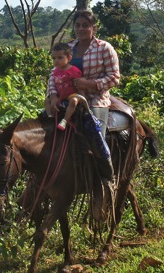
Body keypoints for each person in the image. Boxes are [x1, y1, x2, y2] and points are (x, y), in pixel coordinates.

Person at [46, 9, 119, 181]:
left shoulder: (104, 48)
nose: (81, 29)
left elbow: (114, 77)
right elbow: (53, 74)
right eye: (77, 25)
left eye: (85, 25)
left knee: (95, 135)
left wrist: (90, 84)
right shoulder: (68, 48)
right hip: (65, 99)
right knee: (45, 127)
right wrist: (53, 96)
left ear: (94, 27)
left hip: (94, 100)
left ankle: (105, 174)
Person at [46, 42, 83, 131]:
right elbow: (52, 84)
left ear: (69, 58)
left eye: (60, 58)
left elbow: (79, 85)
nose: (56, 61)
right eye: (54, 58)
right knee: (47, 100)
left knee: (73, 101)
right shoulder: (55, 71)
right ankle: (50, 117)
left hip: (72, 94)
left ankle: (65, 120)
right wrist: (54, 97)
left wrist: (82, 97)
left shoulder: (73, 71)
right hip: (61, 96)